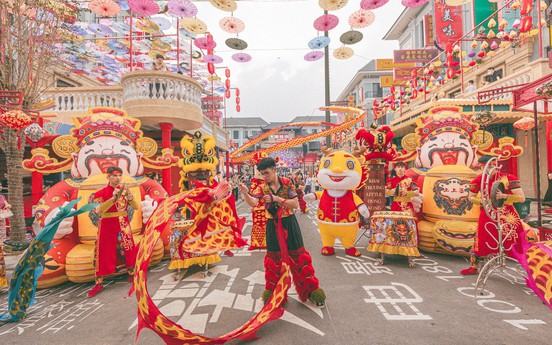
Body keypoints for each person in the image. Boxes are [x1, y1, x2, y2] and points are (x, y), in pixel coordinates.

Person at [239, 157, 325, 307]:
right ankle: (274, 294)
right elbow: (253, 203)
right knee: (274, 260)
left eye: (267, 173)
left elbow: (295, 204)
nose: (264, 176)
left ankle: (310, 290)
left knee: (299, 257)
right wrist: (246, 194)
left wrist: (277, 198)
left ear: (274, 169)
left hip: (289, 223)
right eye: (262, 174)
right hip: (272, 225)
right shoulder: (262, 187)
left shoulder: (287, 183)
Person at [460, 155, 526, 275]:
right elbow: (470, 197)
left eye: (486, 166)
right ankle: (474, 267)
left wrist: (505, 196)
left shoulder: (509, 178)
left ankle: (527, 266)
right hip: (487, 212)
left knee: (514, 240)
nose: (484, 170)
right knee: (482, 239)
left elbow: (522, 198)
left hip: (507, 214)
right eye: (482, 167)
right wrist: (483, 202)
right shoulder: (479, 179)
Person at [87, 166, 139, 297]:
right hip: (107, 224)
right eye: (114, 176)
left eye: (119, 175)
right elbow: (98, 211)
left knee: (129, 248)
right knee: (103, 251)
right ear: (108, 177)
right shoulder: (101, 193)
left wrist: (131, 198)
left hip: (123, 222)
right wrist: (113, 199)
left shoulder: (125, 191)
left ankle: (132, 274)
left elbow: (136, 207)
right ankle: (98, 282)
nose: (118, 178)